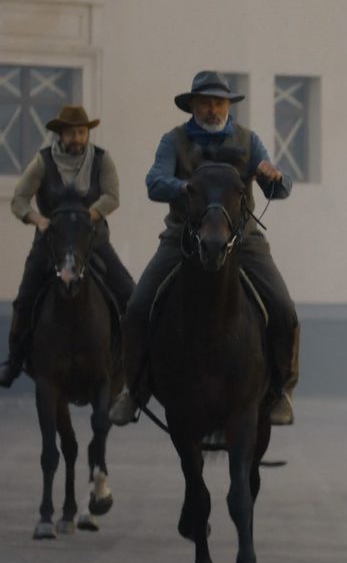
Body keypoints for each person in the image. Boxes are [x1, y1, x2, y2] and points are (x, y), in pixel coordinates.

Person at [109, 71, 299, 426]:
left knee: (284, 308)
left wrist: (274, 177)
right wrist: (183, 188)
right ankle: (133, 389)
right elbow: (154, 182)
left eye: (219, 102)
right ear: (193, 106)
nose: (213, 109)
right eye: (206, 103)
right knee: (136, 307)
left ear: (228, 105)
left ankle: (282, 391)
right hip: (183, 235)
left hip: (243, 237)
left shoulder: (248, 140)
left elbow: (281, 186)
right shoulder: (174, 141)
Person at [0, 106, 135, 387]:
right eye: (72, 133)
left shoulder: (101, 159)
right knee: (25, 299)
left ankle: (133, 363)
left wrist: (88, 217)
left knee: (129, 292)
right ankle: (13, 361)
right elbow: (19, 199)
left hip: (93, 242)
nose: (77, 138)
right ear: (60, 134)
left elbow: (112, 196)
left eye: (82, 132)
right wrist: (39, 220)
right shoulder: (42, 161)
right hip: (51, 245)